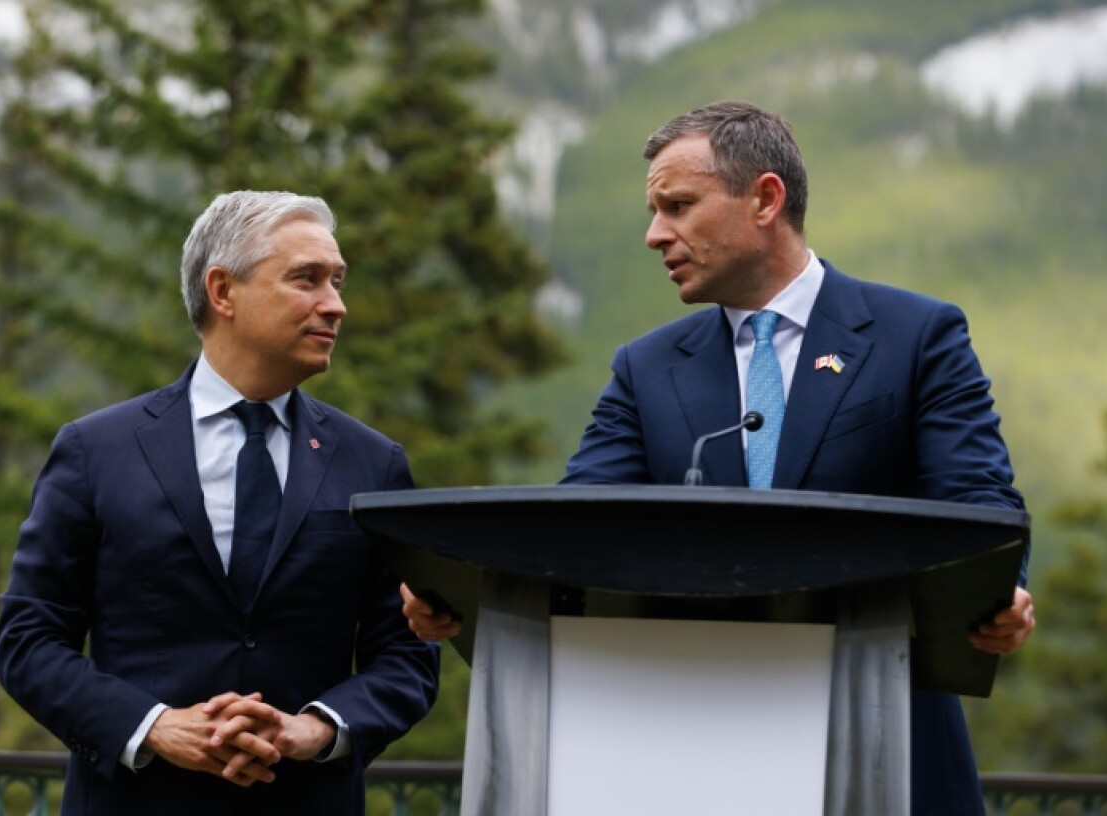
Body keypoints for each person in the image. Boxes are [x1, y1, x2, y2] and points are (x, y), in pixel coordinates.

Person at [402, 101, 1036, 815]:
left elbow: (981, 506)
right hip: (686, 746)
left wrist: (998, 594)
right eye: (654, 210)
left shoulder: (915, 336)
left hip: (880, 729)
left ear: (765, 199)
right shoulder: (646, 369)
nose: (653, 235)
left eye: (677, 206)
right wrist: (457, 587)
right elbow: (576, 530)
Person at [0, 190, 440, 815]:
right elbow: (28, 640)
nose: (336, 305)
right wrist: (153, 726)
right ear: (223, 292)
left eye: (337, 281)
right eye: (306, 279)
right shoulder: (95, 451)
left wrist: (313, 730)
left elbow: (409, 653)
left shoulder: (374, 463)